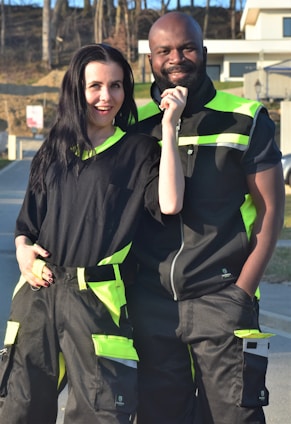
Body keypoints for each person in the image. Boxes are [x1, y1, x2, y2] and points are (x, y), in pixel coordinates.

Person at [0, 43, 187, 424]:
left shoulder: (139, 150)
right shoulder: (54, 148)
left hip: (97, 298)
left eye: (116, 86)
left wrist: (169, 130)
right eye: (95, 86)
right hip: (37, 296)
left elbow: (170, 203)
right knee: (18, 410)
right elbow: (26, 227)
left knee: (102, 413)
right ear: (76, 90)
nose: (106, 97)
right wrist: (23, 253)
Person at [125, 11, 285, 424]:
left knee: (235, 417)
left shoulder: (246, 117)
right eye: (164, 51)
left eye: (187, 48)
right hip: (152, 305)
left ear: (204, 52)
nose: (176, 58)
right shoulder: (138, 127)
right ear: (150, 61)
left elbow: (270, 213)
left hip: (223, 300)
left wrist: (242, 293)